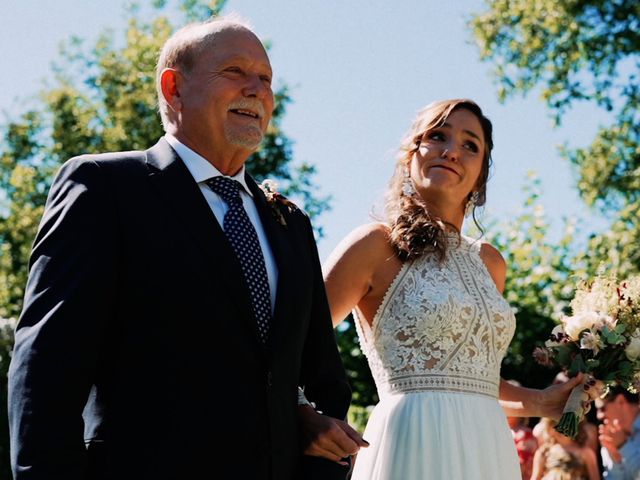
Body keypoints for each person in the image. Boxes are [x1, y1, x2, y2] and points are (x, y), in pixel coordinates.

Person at [8, 15, 362, 480]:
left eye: (267, 79)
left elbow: (323, 384)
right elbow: (46, 368)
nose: (258, 89)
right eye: (235, 72)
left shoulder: (290, 223)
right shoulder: (104, 188)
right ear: (174, 87)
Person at [321, 98, 586, 479]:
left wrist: (542, 402)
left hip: (488, 447)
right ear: (411, 154)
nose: (451, 151)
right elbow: (296, 339)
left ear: (480, 176)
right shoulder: (373, 245)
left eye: (469, 145)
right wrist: (306, 415)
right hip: (412, 441)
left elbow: (470, 379)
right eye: (438, 136)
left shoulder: (490, 263)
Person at [530, 417, 600, 479]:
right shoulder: (544, 452)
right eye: (555, 424)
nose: (561, 429)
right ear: (549, 426)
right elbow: (535, 477)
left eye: (566, 423)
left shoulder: (585, 452)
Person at [596, 386, 640, 479]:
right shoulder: (610, 437)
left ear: (621, 401)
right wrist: (615, 459)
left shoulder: (618, 441)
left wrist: (623, 446)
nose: (599, 416)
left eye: (602, 408)